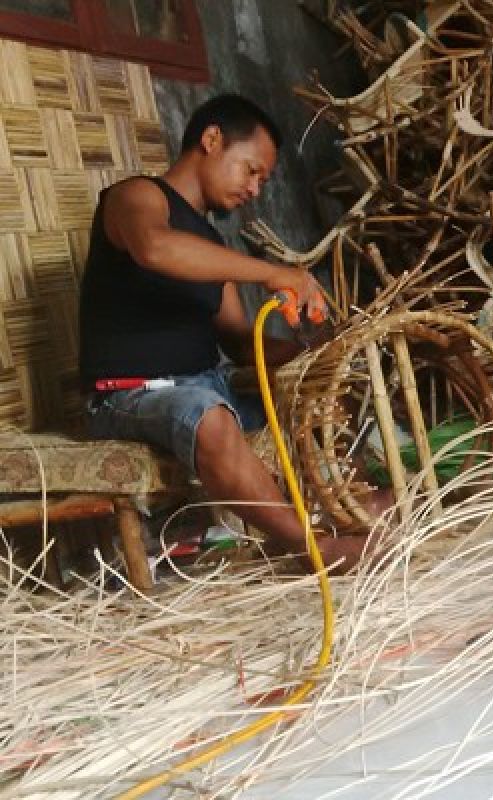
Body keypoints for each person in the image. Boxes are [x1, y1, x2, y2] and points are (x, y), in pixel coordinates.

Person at [79, 94, 368, 572]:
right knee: (208, 415)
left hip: (206, 385)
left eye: (262, 180)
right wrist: (272, 273)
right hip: (127, 396)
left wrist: (315, 353)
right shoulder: (135, 197)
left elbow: (238, 343)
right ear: (212, 139)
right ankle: (308, 548)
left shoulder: (211, 246)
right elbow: (154, 248)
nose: (255, 189)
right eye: (251, 170)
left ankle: (350, 508)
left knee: (318, 399)